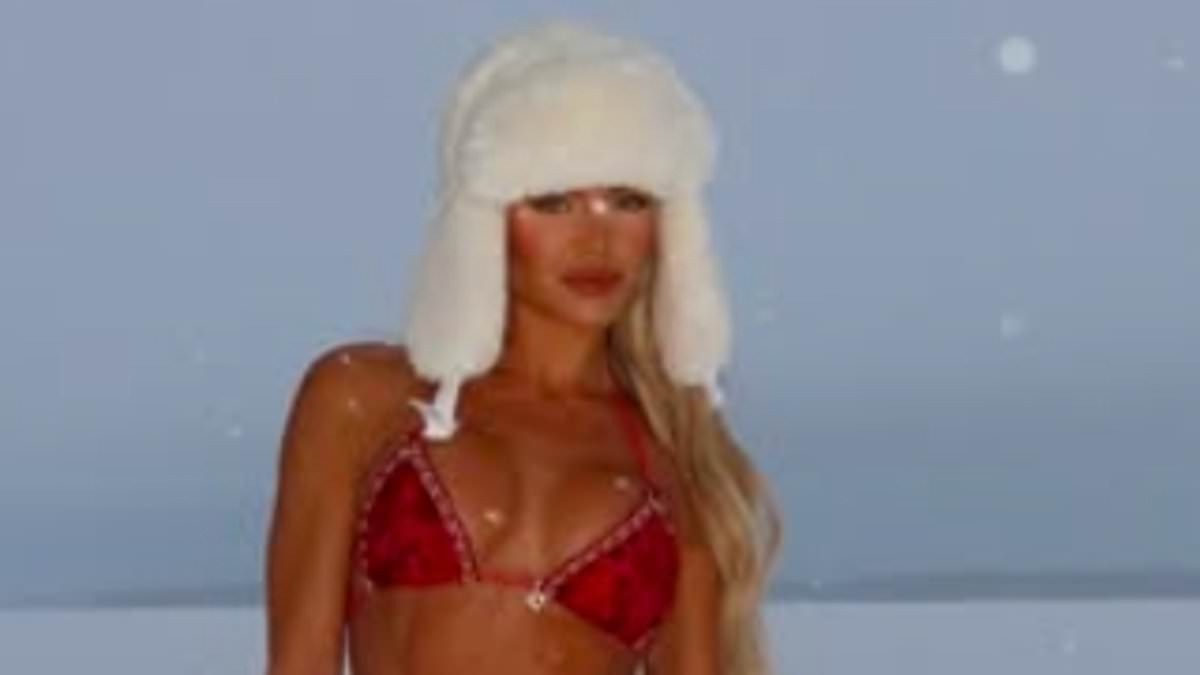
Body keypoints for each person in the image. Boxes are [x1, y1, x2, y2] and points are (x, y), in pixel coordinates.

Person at [264, 17, 782, 675]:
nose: (595, 239)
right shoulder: (360, 399)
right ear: (483, 218)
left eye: (627, 200)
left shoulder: (676, 466)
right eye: (553, 201)